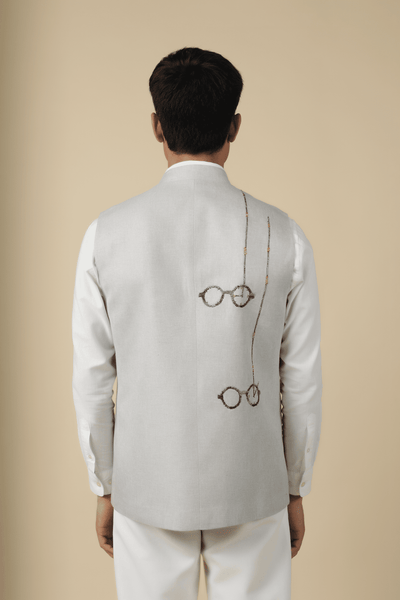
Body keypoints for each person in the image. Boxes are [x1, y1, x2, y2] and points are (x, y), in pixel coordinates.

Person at [72, 46, 323, 599]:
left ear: (156, 126)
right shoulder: (286, 236)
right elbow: (301, 380)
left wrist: (105, 484)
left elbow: (92, 378)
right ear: (234, 127)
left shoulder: (104, 236)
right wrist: (294, 486)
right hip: (254, 484)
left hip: (146, 485)